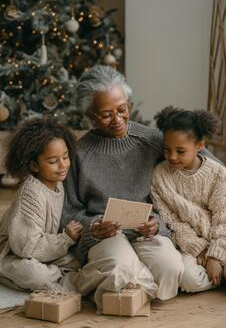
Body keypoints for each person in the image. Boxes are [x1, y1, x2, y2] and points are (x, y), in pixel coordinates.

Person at [61, 65, 185, 311]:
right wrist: (92, 230)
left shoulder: (151, 139)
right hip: (104, 231)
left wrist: (158, 225)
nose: (117, 120)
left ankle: (123, 287)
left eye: (122, 109)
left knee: (172, 268)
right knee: (121, 268)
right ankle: (123, 284)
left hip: (145, 228)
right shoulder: (79, 153)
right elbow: (69, 211)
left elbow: (197, 152)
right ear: (91, 116)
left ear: (129, 103)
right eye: (106, 114)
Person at [0, 119, 83, 292]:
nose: (63, 165)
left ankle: (55, 276)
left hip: (43, 249)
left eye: (66, 156)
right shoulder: (31, 193)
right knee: (37, 276)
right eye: (53, 161)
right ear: (34, 165)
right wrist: (65, 239)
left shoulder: (58, 182)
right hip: (13, 253)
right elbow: (25, 247)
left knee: (79, 261)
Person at [151, 106, 226, 294]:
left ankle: (217, 269)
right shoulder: (160, 175)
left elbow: (223, 216)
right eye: (167, 150)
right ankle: (217, 276)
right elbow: (172, 221)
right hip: (190, 244)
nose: (172, 157)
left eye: (181, 151)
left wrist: (216, 255)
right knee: (188, 280)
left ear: (200, 145)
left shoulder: (218, 173)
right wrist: (199, 249)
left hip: (221, 236)